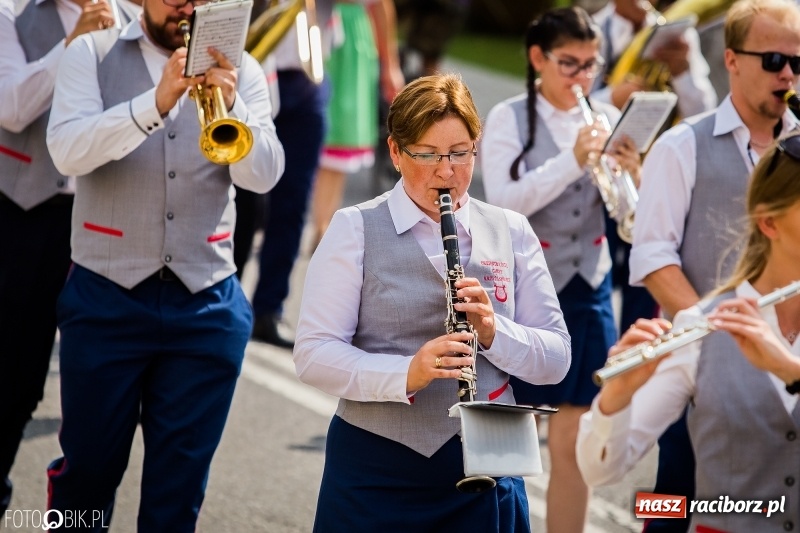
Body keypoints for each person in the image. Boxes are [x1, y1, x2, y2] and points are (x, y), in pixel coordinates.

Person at [293, 73, 571, 533]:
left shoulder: (511, 230)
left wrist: (493, 332)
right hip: (378, 471)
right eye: (427, 154)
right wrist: (407, 372)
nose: (447, 172)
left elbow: (556, 359)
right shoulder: (355, 227)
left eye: (461, 153)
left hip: (489, 464)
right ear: (396, 153)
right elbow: (314, 354)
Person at [44, 0, 284, 526]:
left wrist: (231, 101)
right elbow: (65, 151)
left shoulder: (245, 69)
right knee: (86, 477)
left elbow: (263, 176)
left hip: (206, 302)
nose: (185, 6)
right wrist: (152, 103)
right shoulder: (92, 51)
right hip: (106, 294)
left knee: (177, 492)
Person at [628, 1, 800, 528]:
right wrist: (714, 333)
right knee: (670, 509)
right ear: (730, 59)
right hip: (700, 368)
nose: (789, 74)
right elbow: (653, 257)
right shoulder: (682, 145)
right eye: (773, 60)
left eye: (797, 61)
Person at [577, 130, 800, 532]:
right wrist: (617, 398)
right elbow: (601, 470)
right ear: (769, 222)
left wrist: (789, 369)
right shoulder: (703, 327)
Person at [480, 7, 641, 532]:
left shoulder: (601, 118)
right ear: (537, 58)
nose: (582, 78)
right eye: (570, 64)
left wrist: (632, 177)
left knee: (573, 446)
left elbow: (629, 220)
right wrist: (572, 159)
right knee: (510, 447)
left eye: (591, 66)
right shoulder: (508, 117)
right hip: (523, 292)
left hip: (588, 286)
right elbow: (503, 202)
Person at [0, 0, 129, 514]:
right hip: (17, 214)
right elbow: (11, 108)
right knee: (9, 372)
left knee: (70, 386)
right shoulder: (11, 13)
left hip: (98, 226)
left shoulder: (130, 19)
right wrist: (72, 43)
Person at [591, 0, 718, 341]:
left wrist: (680, 71)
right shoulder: (592, 29)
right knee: (597, 279)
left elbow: (703, 112)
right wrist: (611, 97)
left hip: (651, 176)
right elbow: (569, 101)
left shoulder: (676, 32)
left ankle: (640, 349)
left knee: (648, 280)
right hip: (596, 178)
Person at [308, 0, 404, 249]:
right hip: (318, 25)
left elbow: (382, 6)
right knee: (323, 127)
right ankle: (321, 222)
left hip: (352, 37)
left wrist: (390, 64)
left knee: (343, 134)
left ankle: (324, 222)